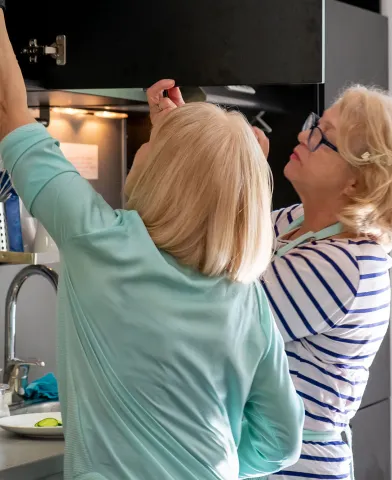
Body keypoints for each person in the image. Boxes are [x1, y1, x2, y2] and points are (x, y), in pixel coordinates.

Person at [0, 11, 305, 480]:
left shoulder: (99, 240)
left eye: (152, 145)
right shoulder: (246, 299)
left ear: (166, 177)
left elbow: (8, 108)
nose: (144, 143)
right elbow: (282, 441)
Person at [252, 87, 392, 479]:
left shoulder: (344, 266)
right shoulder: (298, 223)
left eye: (322, 136)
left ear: (355, 181)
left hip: (291, 467)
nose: (304, 136)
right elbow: (219, 247)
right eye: (314, 125)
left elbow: (220, 312)